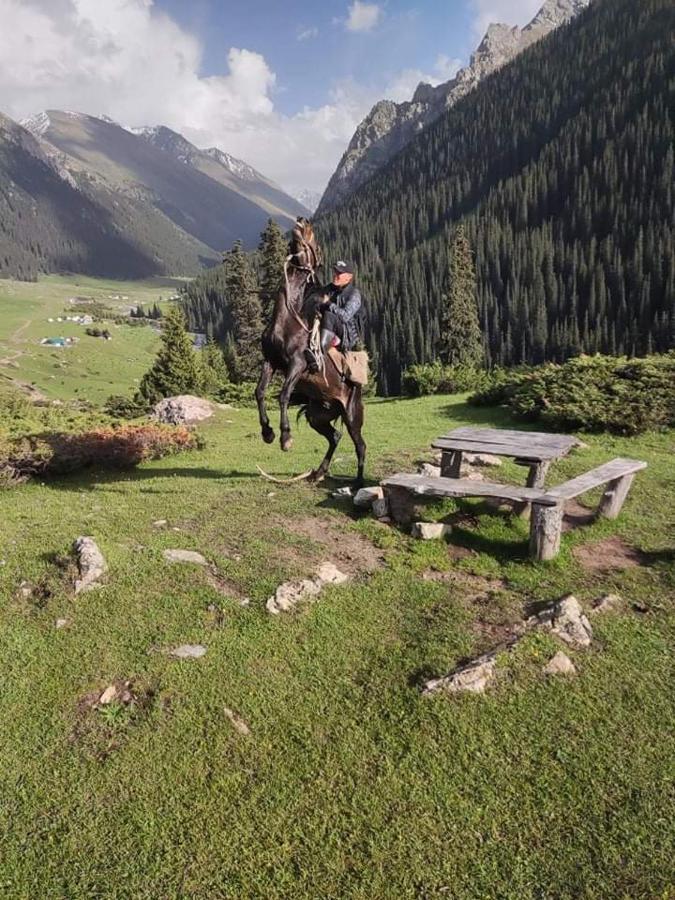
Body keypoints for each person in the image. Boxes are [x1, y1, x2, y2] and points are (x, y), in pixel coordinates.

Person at [305, 259, 362, 373]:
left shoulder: (354, 294)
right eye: (335, 272)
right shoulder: (330, 288)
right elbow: (318, 296)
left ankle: (319, 353)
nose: (336, 275)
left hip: (346, 334)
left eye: (339, 273)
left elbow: (345, 316)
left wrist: (328, 303)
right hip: (328, 325)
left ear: (349, 277)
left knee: (329, 315)